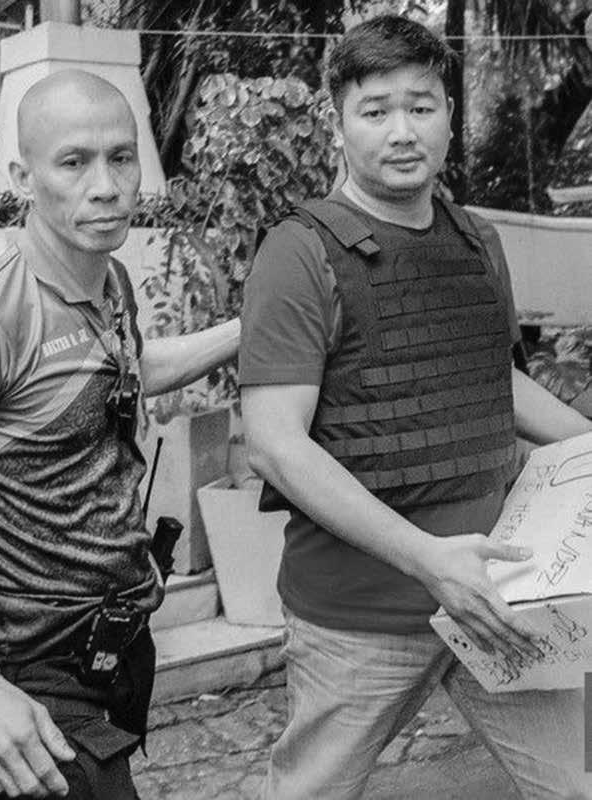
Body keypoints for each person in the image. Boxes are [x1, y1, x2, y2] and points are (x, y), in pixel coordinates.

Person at [239, 14, 592, 800]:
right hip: (357, 618)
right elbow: (274, 444)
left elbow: (492, 383)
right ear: (337, 124)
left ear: (448, 116)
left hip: (498, 603)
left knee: (576, 784)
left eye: (420, 106)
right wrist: (429, 561)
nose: (401, 131)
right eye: (375, 111)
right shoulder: (297, 253)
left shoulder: (476, 241)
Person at [0, 69, 239, 800]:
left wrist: (250, 329)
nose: (107, 187)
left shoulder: (108, 283)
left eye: (121, 157)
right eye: (74, 162)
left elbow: (125, 367)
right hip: (19, 676)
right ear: (23, 178)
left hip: (108, 656)